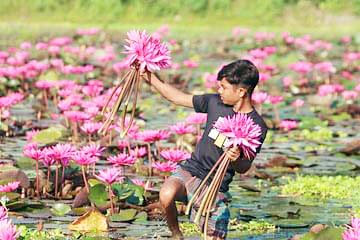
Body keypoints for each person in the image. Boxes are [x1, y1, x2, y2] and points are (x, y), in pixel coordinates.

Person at [142, 59, 268, 239]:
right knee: (166, 193)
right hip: (191, 170)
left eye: (224, 87)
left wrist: (236, 158)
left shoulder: (257, 125)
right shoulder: (215, 103)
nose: (219, 91)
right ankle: (177, 235)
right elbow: (176, 97)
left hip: (215, 187)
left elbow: (244, 167)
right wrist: (148, 75)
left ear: (241, 91)